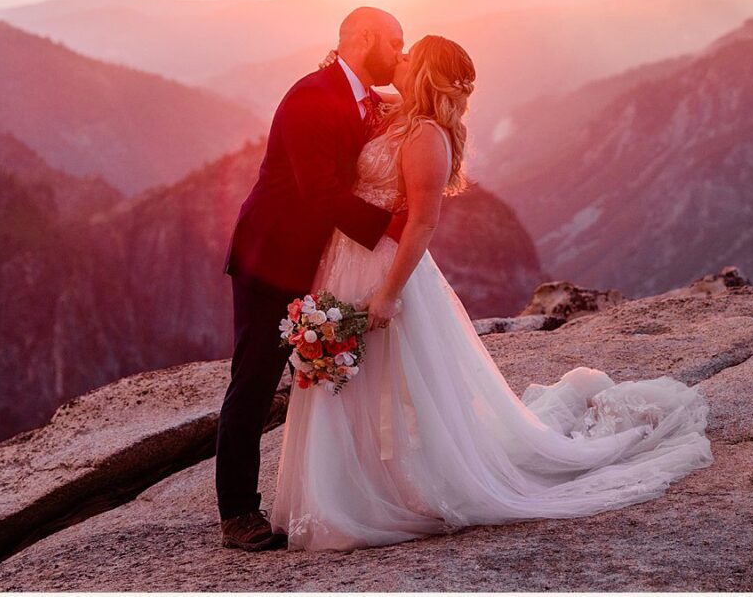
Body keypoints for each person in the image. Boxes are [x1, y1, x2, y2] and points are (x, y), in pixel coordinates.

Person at [271, 34, 713, 551]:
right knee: (347, 378)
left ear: (426, 73)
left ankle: (367, 495)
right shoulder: (397, 114)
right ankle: (335, 490)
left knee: (381, 376)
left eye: (410, 55)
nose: (401, 57)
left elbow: (422, 224)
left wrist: (389, 293)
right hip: (343, 259)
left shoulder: (426, 138)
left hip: (385, 268)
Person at [215, 6, 410, 551]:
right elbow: (318, 191)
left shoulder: (357, 97)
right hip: (271, 259)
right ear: (364, 38)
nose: (400, 53)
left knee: (327, 377)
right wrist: (393, 226)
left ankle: (332, 491)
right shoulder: (311, 96)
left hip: (318, 262)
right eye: (395, 42)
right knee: (254, 381)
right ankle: (237, 515)